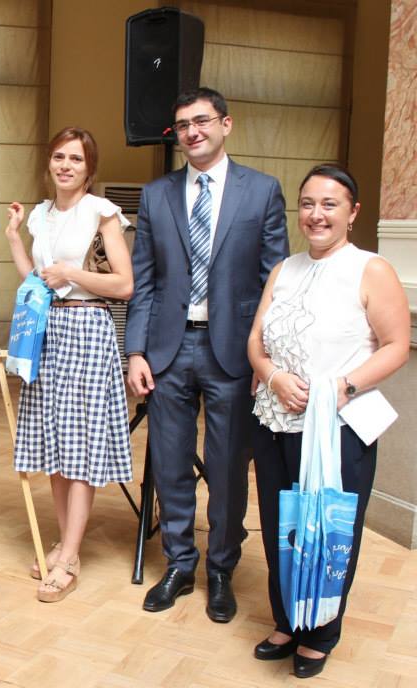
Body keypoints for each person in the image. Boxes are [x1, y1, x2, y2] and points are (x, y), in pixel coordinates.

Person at [124, 87, 289, 622]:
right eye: (182, 126)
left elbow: (275, 283)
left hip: (234, 353)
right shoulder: (157, 195)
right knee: (171, 463)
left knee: (227, 467)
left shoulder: (261, 191)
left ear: (225, 124)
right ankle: (179, 563)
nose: (192, 132)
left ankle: (221, 568)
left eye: (201, 121)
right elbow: (145, 280)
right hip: (168, 350)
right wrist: (136, 351)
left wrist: (267, 359)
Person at [247, 165, 409, 678]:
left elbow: (397, 345)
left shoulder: (371, 269)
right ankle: (287, 620)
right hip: (274, 421)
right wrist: (272, 376)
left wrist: (343, 387)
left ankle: (320, 632)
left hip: (336, 428)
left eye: (329, 204)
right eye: (308, 204)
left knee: (328, 528)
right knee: (281, 525)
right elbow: (256, 340)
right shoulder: (284, 269)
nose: (316, 215)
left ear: (352, 213)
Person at [4, 127, 134, 602]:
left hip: (87, 329)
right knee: (56, 446)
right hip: (47, 331)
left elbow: (124, 285)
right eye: (59, 156)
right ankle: (64, 542)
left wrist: (73, 273)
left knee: (79, 449)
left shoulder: (102, 213)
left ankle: (71, 557)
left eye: (76, 159)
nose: (66, 165)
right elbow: (38, 282)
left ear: (89, 168)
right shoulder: (40, 214)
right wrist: (14, 238)